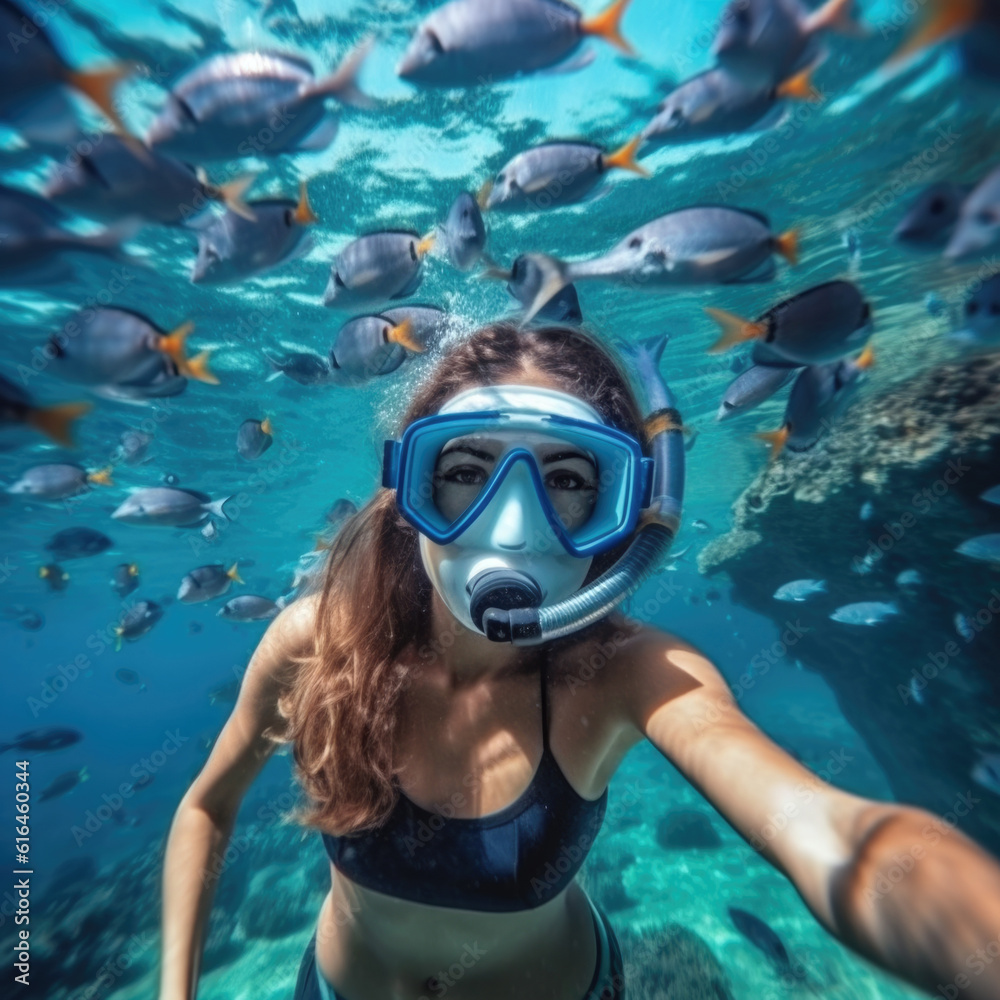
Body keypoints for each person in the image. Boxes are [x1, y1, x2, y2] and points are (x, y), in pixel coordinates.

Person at [159, 323, 1000, 1000]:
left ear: (622, 513)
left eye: (567, 481)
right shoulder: (317, 642)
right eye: (463, 470)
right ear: (408, 494)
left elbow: (825, 829)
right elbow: (205, 810)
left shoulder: (625, 674)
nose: (512, 523)